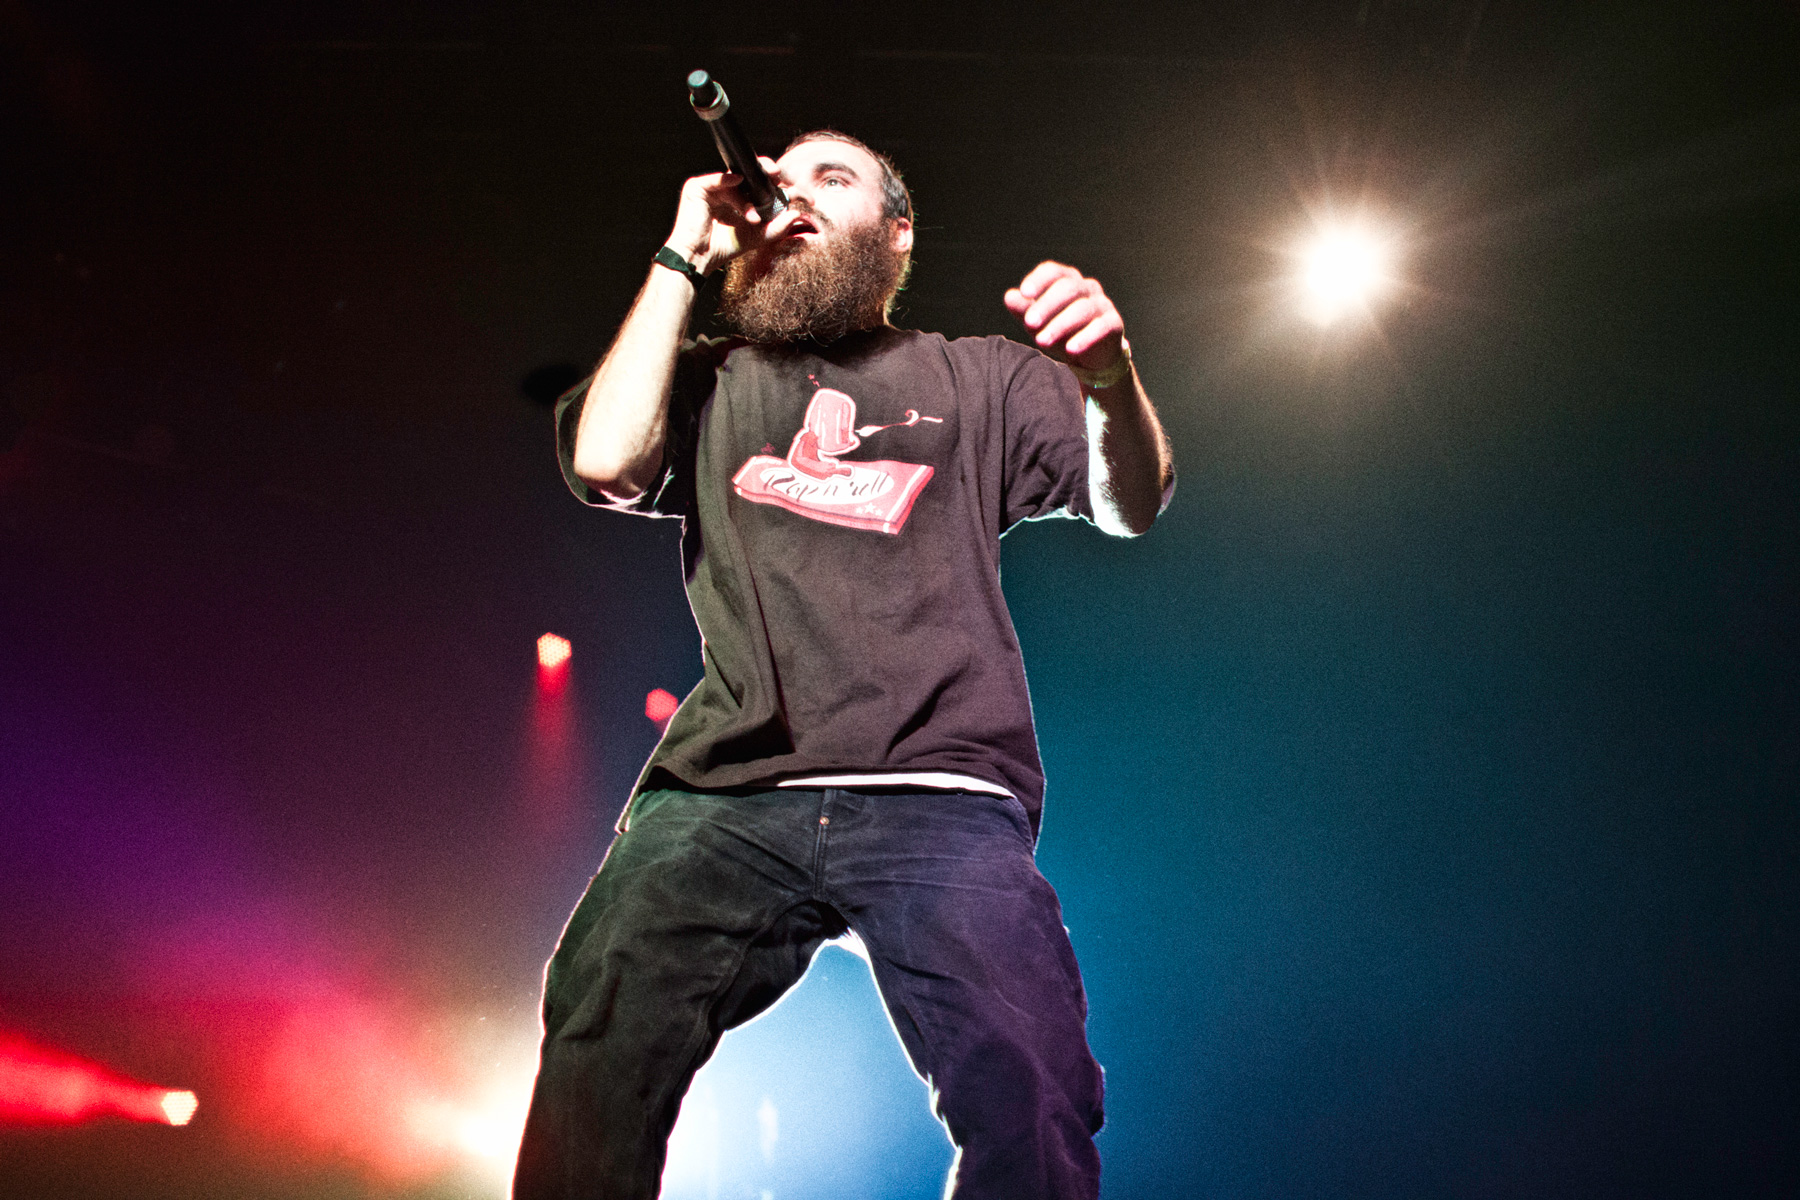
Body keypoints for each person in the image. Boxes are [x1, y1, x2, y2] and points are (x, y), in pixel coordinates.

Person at [513, 129, 1174, 1200]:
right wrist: (683, 253)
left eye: (835, 179)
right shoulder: (710, 382)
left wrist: (1109, 376)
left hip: (939, 790)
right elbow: (601, 460)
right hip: (726, 792)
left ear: (897, 232)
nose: (797, 196)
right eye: (780, 183)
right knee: (601, 1024)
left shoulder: (981, 378)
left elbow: (1131, 501)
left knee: (1032, 1080)